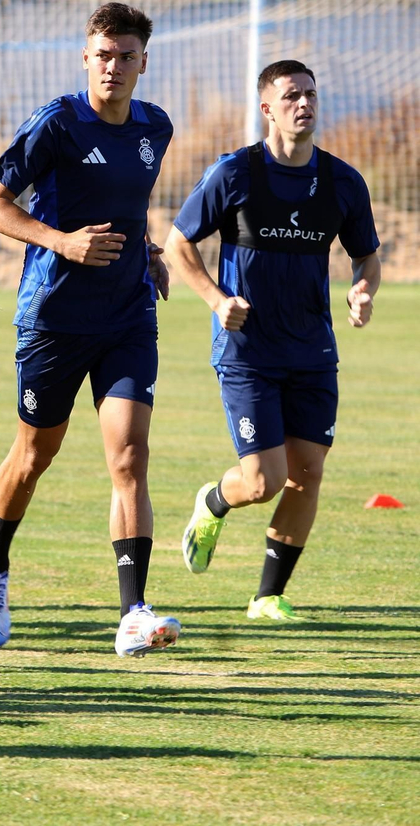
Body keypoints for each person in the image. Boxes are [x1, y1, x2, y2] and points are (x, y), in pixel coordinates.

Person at [0, 2, 181, 658]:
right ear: (85, 58)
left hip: (126, 316)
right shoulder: (57, 123)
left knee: (129, 456)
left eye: (126, 56)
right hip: (54, 319)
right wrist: (62, 241)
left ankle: (133, 613)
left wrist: (146, 251)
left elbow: (126, 204)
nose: (113, 67)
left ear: (143, 62)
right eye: (103, 55)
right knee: (34, 456)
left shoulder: (156, 127)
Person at [167, 60, 381, 621]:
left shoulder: (342, 182)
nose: (304, 103)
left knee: (306, 474)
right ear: (267, 108)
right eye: (291, 96)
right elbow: (177, 244)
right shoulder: (234, 173)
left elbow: (366, 256)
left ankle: (267, 597)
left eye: (310, 93)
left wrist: (363, 289)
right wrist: (217, 300)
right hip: (248, 353)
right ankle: (214, 500)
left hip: (312, 351)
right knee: (264, 481)